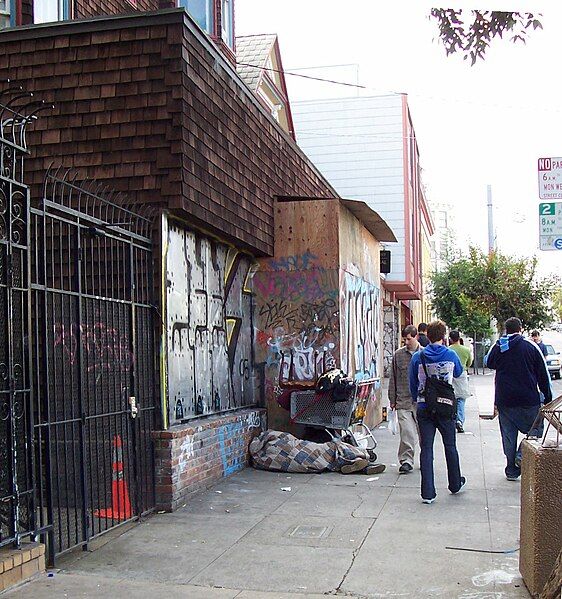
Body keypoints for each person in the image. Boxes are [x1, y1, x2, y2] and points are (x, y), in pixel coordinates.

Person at [486, 317, 552, 481]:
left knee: (508, 435)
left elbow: (489, 363)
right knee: (535, 430)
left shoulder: (499, 346)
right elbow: (543, 374)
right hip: (528, 399)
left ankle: (511, 469)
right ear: (521, 328)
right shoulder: (531, 346)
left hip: (505, 399)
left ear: (506, 330)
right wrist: (547, 397)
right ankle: (522, 454)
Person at [409, 320, 465, 503]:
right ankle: (455, 483)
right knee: (450, 446)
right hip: (445, 406)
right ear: (443, 337)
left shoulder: (418, 357)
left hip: (425, 407)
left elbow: (413, 384)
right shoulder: (451, 354)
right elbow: (458, 373)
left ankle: (428, 493)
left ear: (427, 336)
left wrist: (419, 397)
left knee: (426, 449)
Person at [388, 325, 419, 474]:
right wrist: (392, 399)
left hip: (421, 401)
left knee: (424, 433)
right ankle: (406, 460)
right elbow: (393, 378)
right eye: (404, 339)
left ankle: (426, 457)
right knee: (407, 432)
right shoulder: (398, 355)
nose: (406, 342)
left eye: (409, 339)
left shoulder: (424, 354)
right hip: (403, 399)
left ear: (416, 337)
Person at [448, 330, 473, 433]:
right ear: (459, 338)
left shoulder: (448, 350)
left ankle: (452, 419)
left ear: (450, 339)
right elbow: (469, 363)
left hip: (450, 374)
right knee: (461, 399)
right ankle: (460, 420)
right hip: (462, 374)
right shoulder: (466, 350)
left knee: (452, 399)